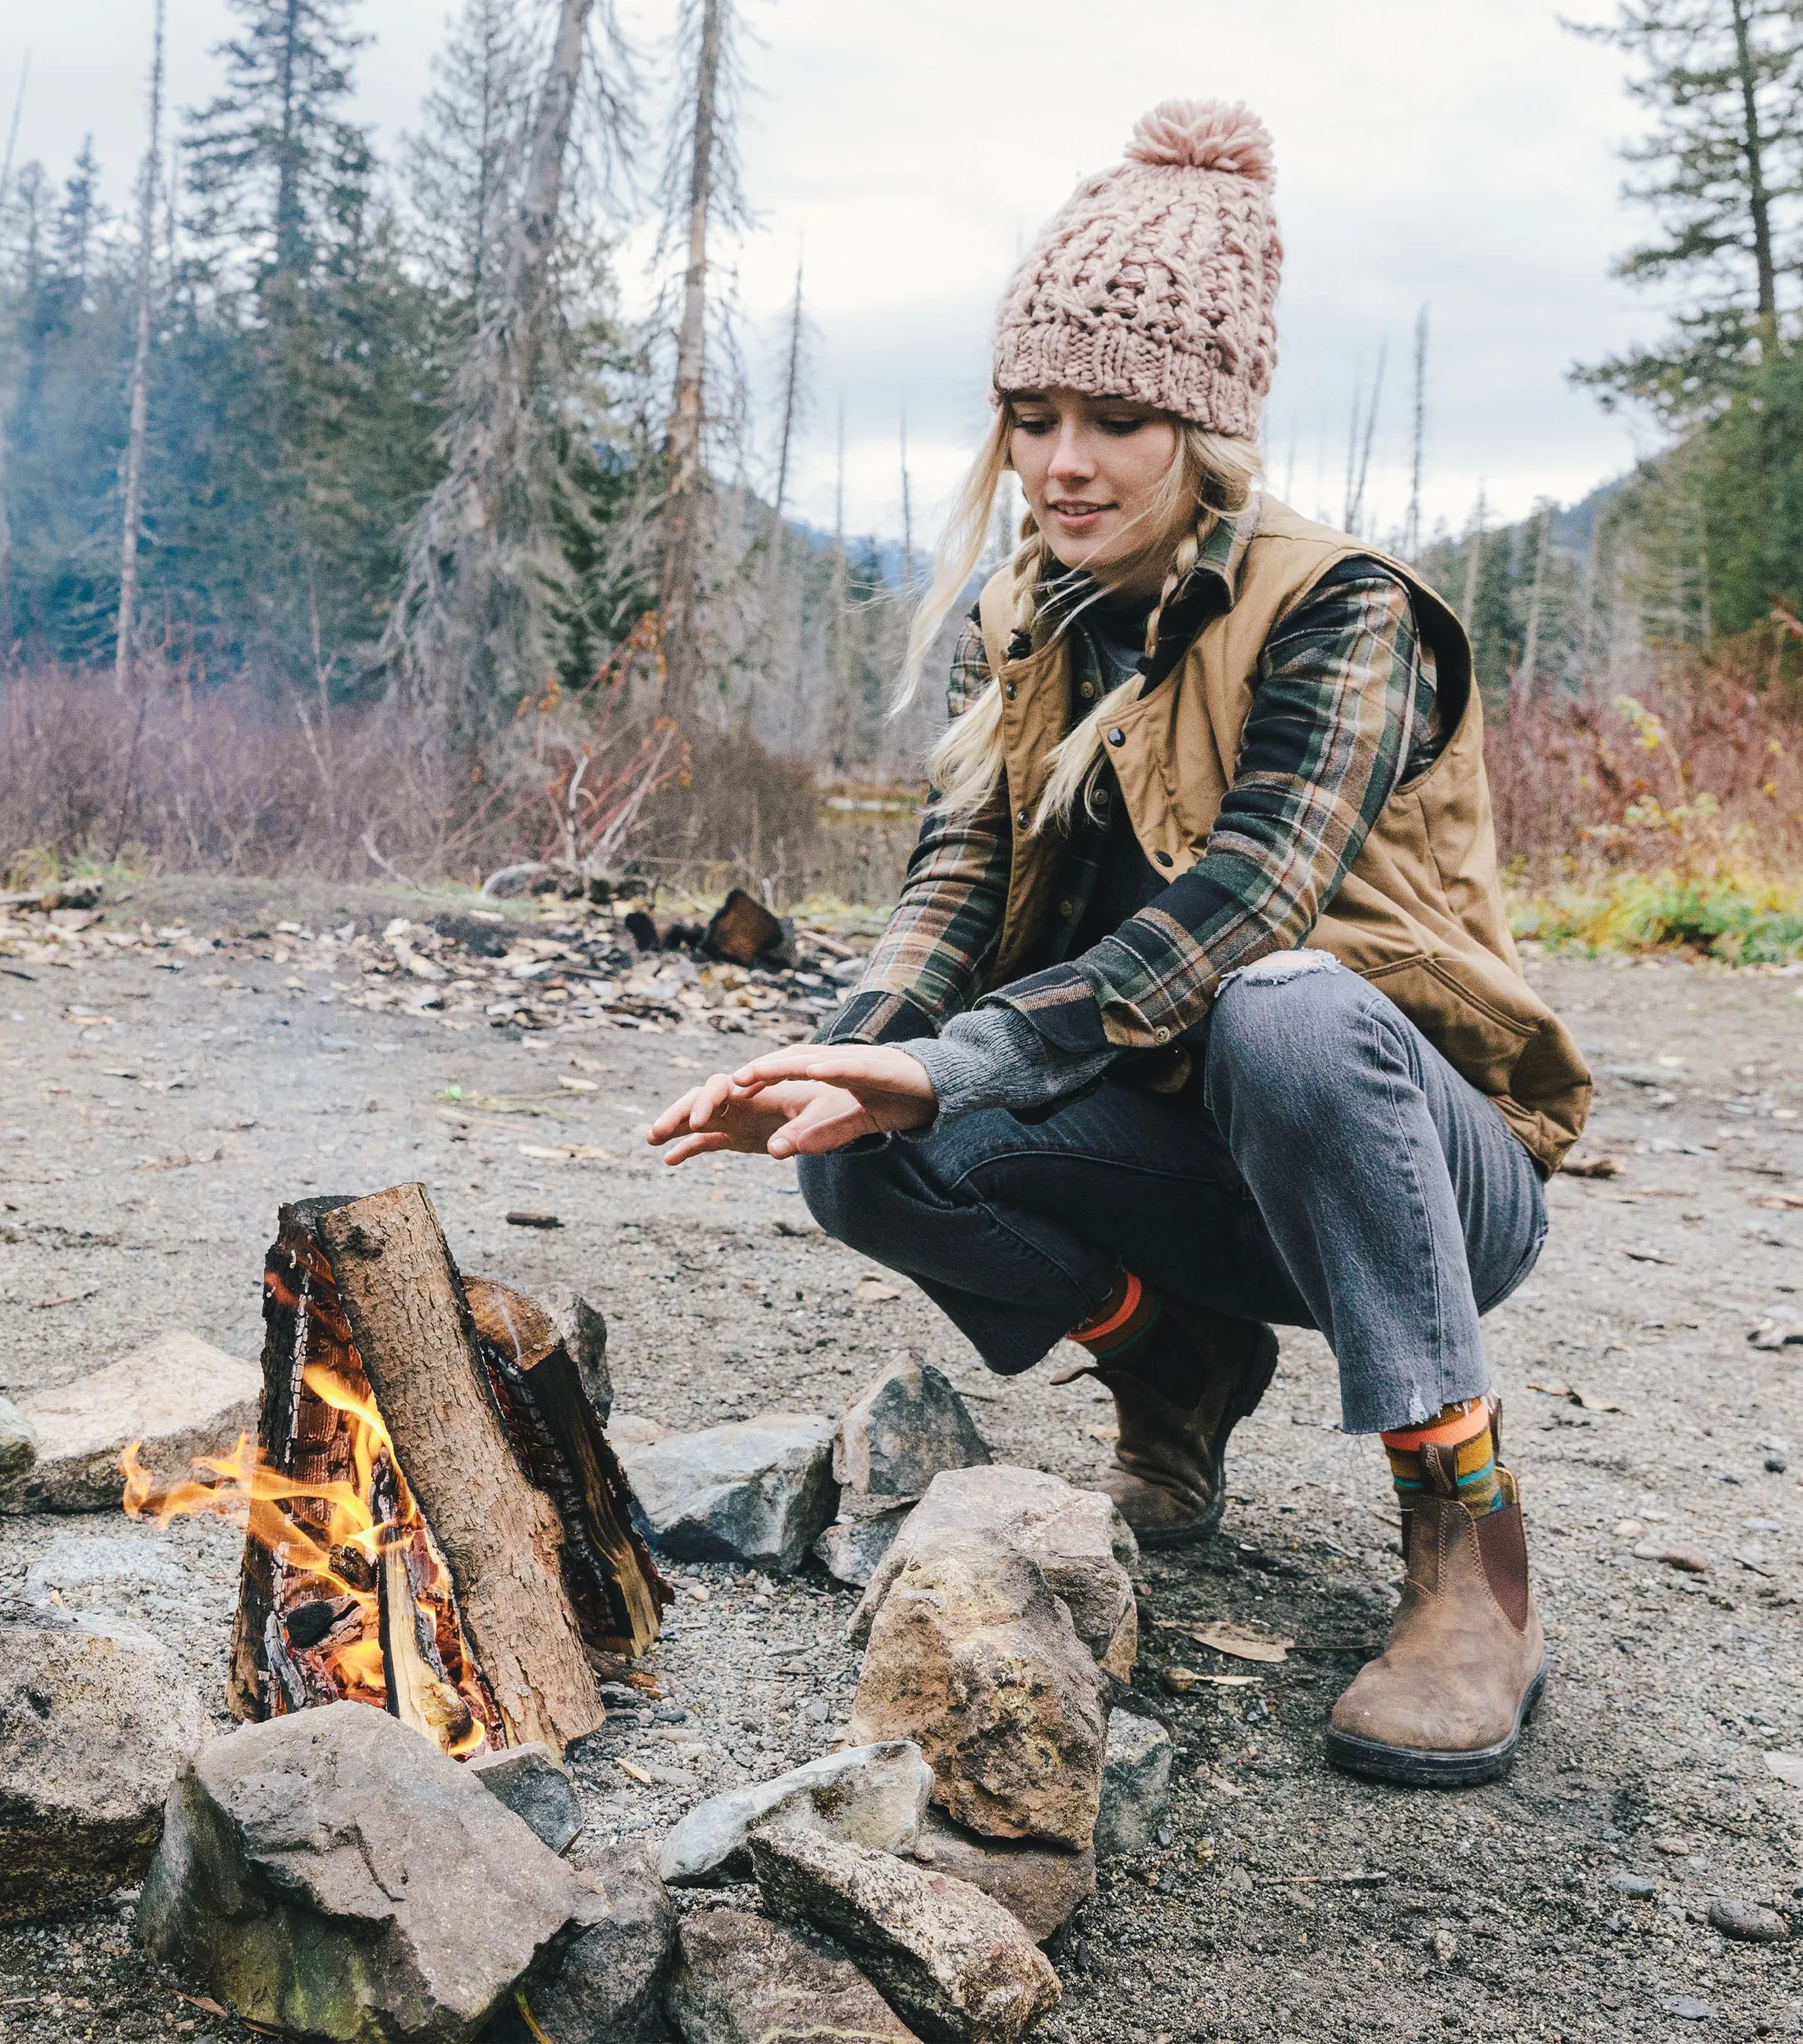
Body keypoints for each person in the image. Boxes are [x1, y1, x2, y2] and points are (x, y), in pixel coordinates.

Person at [648, 100, 1591, 1787]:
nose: (1061, 460)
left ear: (1205, 430)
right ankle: (1175, 1359)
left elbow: (1246, 899)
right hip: (1196, 1165)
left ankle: (1465, 1543)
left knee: (1284, 1010)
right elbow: (949, 882)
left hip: (1414, 1171)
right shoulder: (1023, 618)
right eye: (1030, 416)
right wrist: (853, 1051)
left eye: (1115, 417)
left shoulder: (1341, 604)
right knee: (860, 1156)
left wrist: (955, 1063)